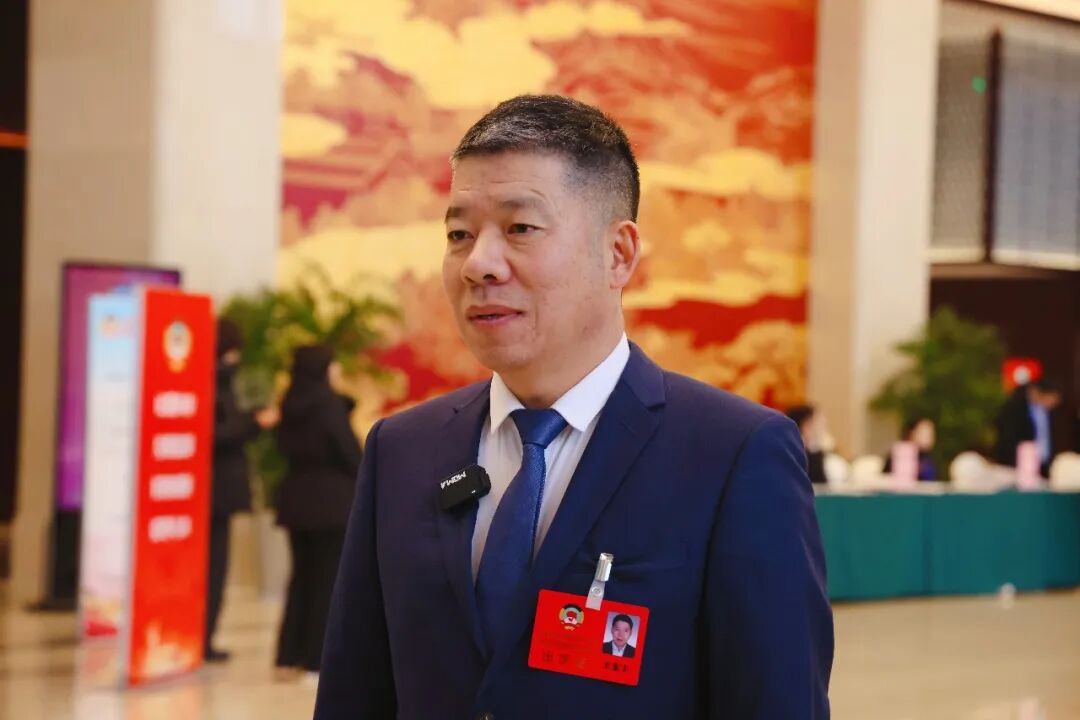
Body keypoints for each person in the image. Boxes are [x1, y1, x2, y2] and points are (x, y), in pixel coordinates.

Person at [315, 95, 832, 719]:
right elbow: (354, 691)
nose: (478, 264)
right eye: (459, 234)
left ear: (618, 254)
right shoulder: (403, 450)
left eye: (520, 228)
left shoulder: (732, 456)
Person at [274, 345, 362, 681]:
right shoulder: (328, 404)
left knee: (301, 578)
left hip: (296, 500)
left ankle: (288, 655)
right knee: (326, 582)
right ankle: (316, 661)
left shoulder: (289, 403)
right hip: (330, 503)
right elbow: (350, 453)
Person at [207, 319, 278, 662]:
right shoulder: (219, 382)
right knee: (213, 567)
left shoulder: (214, 380)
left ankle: (203, 637)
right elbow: (219, 433)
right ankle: (203, 639)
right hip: (216, 491)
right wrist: (254, 423)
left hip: (208, 490)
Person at [994, 378, 1062, 477]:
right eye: (1052, 399)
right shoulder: (1015, 409)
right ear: (1038, 393)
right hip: (1017, 464)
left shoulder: (1047, 413)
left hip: (1043, 465)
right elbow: (1007, 438)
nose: (1053, 404)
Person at [882, 416, 938, 481]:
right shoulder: (900, 454)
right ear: (912, 433)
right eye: (925, 433)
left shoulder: (928, 459)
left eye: (931, 434)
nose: (929, 438)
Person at [786, 404, 828, 485]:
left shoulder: (815, 454)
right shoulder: (797, 457)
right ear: (806, 426)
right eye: (819, 423)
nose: (823, 429)